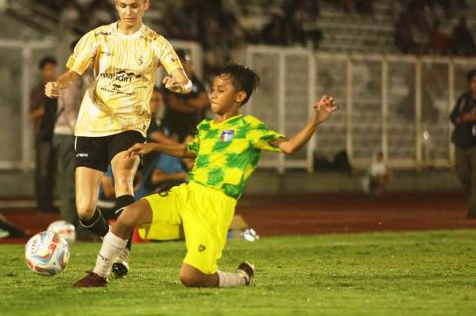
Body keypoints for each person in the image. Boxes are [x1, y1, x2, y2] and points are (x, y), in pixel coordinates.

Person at [74, 62, 339, 288]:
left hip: (215, 205)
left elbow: (290, 146)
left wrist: (314, 121)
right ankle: (99, 274)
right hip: (188, 193)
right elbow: (190, 151)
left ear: (240, 97)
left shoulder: (250, 127)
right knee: (128, 214)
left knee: (191, 277)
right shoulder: (207, 127)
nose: (212, 94)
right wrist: (154, 146)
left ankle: (241, 278)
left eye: (221, 90)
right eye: (212, 89)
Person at [45, 0, 192, 277]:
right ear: (115, 4)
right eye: (123, 5)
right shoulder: (97, 37)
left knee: (123, 181)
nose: (128, 11)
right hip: (91, 124)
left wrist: (180, 84)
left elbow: (184, 79)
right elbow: (72, 73)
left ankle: (121, 253)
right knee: (85, 209)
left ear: (146, 5)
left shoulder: (155, 42)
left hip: (130, 123)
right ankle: (111, 239)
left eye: (135, 5)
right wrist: (57, 85)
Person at [53, 42, 85, 226]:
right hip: (68, 134)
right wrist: (80, 133)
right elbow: (70, 109)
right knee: (69, 180)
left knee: (74, 179)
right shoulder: (72, 76)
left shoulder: (79, 76)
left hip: (71, 133)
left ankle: (74, 222)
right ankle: (70, 224)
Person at [30, 57, 58, 213]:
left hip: (56, 133)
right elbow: (33, 113)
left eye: (53, 69)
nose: (51, 72)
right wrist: (48, 107)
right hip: (42, 134)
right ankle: (41, 205)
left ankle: (49, 203)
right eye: (47, 69)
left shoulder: (57, 88)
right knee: (42, 170)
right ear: (41, 72)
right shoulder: (38, 91)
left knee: (52, 170)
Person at [162, 50, 209, 141]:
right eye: (180, 64)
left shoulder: (197, 82)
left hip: (194, 126)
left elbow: (203, 102)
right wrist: (194, 106)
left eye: (185, 63)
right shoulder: (169, 81)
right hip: (174, 126)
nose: (184, 66)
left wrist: (184, 102)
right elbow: (174, 104)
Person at [449, 68, 476, 219]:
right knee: (463, 175)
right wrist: (459, 119)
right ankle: (473, 203)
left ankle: (473, 211)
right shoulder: (464, 99)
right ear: (470, 83)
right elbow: (453, 116)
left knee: (475, 178)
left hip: (475, 144)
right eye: (474, 82)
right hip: (461, 141)